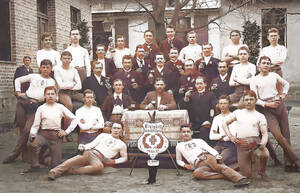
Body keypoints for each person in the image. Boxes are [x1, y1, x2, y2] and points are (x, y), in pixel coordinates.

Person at [250, 56, 300, 172]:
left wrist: (283, 95)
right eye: (264, 63)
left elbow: (286, 84)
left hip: (279, 105)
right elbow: (255, 98)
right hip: (267, 108)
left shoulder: (274, 75)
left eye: (268, 63)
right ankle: (296, 160)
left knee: (286, 134)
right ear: (259, 66)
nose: (266, 65)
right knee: (278, 135)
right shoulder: (254, 80)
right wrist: (267, 105)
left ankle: (288, 163)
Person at [3, 60, 56, 164]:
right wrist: (18, 92)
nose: (45, 69)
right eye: (43, 67)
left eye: (48, 67)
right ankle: (25, 155)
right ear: (40, 68)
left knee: (28, 130)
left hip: (35, 105)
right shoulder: (33, 76)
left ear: (50, 69)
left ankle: (14, 154)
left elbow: (53, 94)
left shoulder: (52, 82)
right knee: (21, 128)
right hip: (24, 102)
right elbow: (18, 80)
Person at [176, 124, 249, 188]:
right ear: (180, 133)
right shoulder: (179, 146)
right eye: (183, 132)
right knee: (197, 174)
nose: (186, 134)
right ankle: (228, 175)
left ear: (191, 133)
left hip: (206, 157)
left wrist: (217, 156)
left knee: (220, 167)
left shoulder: (198, 141)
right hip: (198, 165)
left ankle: (240, 179)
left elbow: (209, 149)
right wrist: (185, 165)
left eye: (188, 132)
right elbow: (178, 160)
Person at [48, 122, 127, 180]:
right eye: (114, 128)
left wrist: (114, 161)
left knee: (99, 167)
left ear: (122, 130)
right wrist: (84, 146)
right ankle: (54, 172)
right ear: (111, 129)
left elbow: (124, 158)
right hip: (90, 152)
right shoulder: (103, 135)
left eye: (118, 128)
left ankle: (71, 171)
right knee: (74, 160)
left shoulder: (122, 144)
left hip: (100, 159)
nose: (116, 130)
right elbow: (92, 144)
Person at [222, 90, 269, 179]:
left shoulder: (260, 116)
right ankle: (247, 165)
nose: (249, 102)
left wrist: (262, 144)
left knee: (265, 154)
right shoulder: (238, 113)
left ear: (255, 100)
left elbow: (264, 133)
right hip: (241, 144)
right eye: (246, 99)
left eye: (251, 99)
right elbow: (224, 123)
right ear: (243, 101)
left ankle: (262, 170)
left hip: (255, 143)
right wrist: (231, 136)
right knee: (247, 175)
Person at [28, 86, 77, 169]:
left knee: (56, 165)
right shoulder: (41, 108)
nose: (50, 96)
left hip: (56, 136)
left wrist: (66, 132)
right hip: (43, 135)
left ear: (56, 96)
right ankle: (35, 165)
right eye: (48, 94)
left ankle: (50, 160)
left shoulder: (60, 107)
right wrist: (32, 135)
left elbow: (75, 119)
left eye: (52, 94)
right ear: (45, 96)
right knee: (31, 144)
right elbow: (35, 125)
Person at [180, 76, 217, 146]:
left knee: (204, 130)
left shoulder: (211, 95)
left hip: (206, 122)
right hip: (194, 123)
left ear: (205, 84)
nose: (199, 85)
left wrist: (209, 121)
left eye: (201, 83)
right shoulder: (192, 95)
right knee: (186, 130)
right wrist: (186, 98)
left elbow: (215, 109)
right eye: (197, 84)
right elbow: (183, 107)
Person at [209, 95, 237, 167]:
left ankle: (234, 160)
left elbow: (232, 135)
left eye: (225, 103)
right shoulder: (217, 118)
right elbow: (211, 136)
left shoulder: (233, 116)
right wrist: (222, 135)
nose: (222, 106)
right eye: (221, 103)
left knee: (218, 161)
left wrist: (218, 135)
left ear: (229, 104)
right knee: (209, 159)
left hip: (230, 145)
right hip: (219, 144)